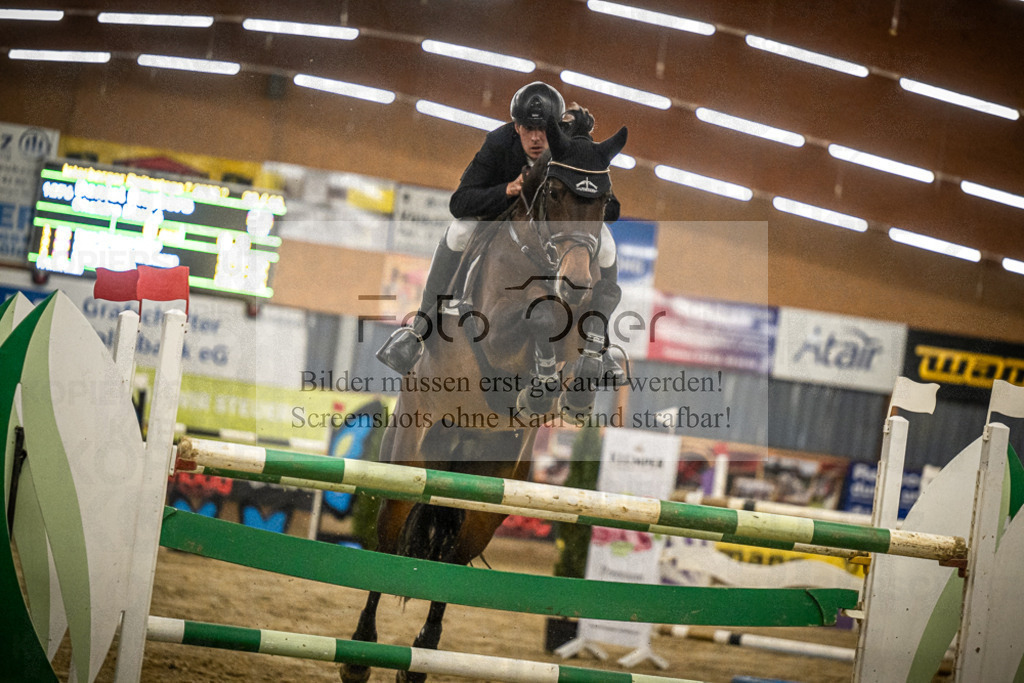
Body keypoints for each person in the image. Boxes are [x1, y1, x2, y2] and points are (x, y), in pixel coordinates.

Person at [376, 81, 623, 383]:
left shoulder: (573, 147)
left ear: (557, 127)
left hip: (558, 229)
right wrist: (507, 189)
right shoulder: (498, 143)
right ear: (515, 126)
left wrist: (580, 200)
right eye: (526, 128)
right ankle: (421, 324)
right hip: (503, 218)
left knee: (608, 246)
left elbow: (611, 208)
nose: (535, 138)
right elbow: (460, 201)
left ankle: (602, 342)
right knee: (459, 230)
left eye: (543, 129)